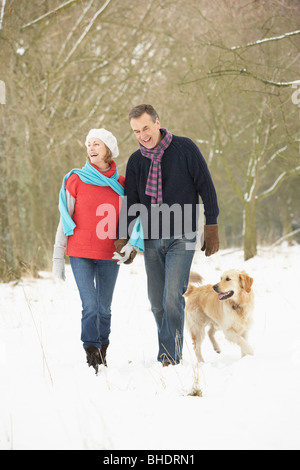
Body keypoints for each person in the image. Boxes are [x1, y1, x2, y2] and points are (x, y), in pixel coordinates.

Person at [114, 105, 220, 367]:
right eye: (136, 131)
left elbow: (206, 185)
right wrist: (123, 238)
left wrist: (212, 224)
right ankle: (169, 348)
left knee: (173, 295)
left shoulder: (185, 148)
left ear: (158, 122)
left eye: (146, 128)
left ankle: (170, 356)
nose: (142, 135)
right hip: (151, 237)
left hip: (182, 234)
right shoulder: (137, 161)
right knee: (156, 301)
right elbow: (131, 203)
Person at [53, 128, 130, 374]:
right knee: (91, 307)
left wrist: (130, 244)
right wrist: (58, 256)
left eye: (96, 144)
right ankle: (91, 351)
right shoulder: (75, 179)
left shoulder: (121, 184)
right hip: (80, 253)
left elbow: (130, 221)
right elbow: (64, 219)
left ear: (108, 149)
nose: (91, 148)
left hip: (110, 255)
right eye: (88, 144)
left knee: (105, 308)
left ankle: (103, 348)